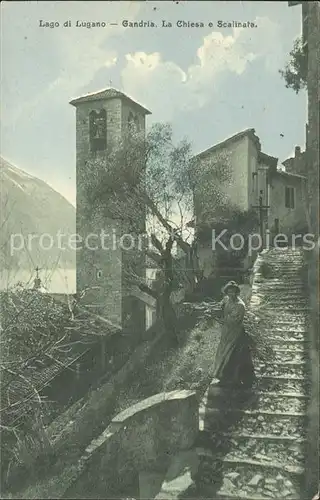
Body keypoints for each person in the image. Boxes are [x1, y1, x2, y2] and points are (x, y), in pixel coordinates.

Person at [212, 281, 256, 389]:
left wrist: (220, 317)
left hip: (236, 334)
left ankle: (232, 380)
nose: (231, 294)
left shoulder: (240, 305)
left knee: (233, 356)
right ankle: (223, 378)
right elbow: (221, 308)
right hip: (226, 332)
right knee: (223, 352)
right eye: (229, 292)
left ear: (237, 292)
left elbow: (233, 321)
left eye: (233, 292)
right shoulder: (227, 300)